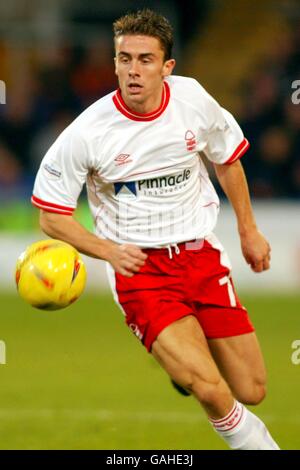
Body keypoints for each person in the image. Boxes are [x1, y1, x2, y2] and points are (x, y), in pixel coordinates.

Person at [31, 9, 280, 450]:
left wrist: (248, 229)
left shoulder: (193, 100)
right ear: (114, 62)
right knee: (210, 387)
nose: (132, 70)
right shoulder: (87, 132)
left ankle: (180, 364)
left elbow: (227, 159)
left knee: (251, 389)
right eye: (124, 58)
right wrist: (107, 251)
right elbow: (51, 216)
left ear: (168, 67)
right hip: (140, 271)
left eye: (145, 59)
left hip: (201, 255)